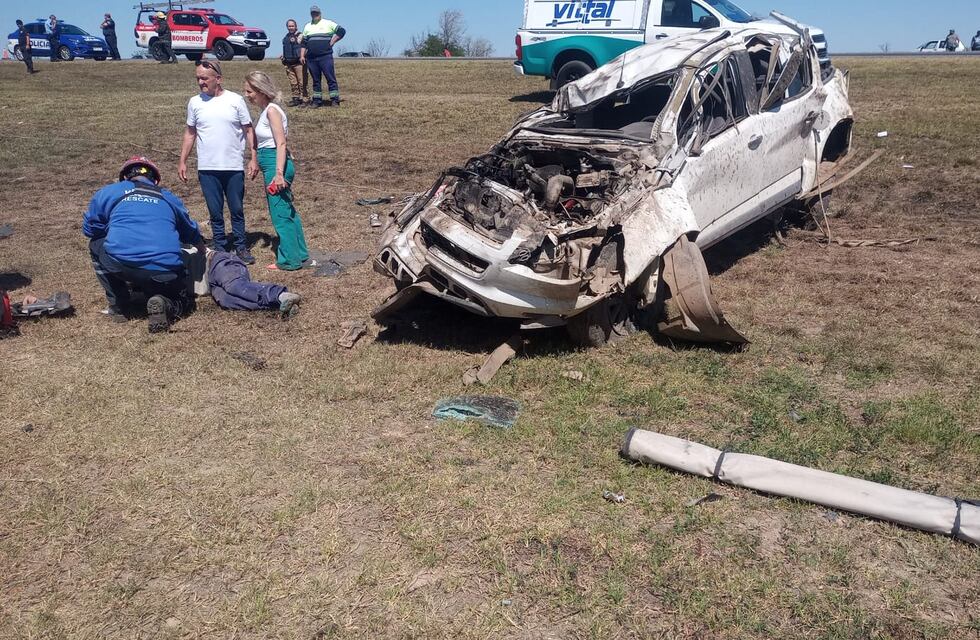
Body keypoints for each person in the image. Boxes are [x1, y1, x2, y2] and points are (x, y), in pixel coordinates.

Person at [83, 157, 205, 333]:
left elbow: (91, 229)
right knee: (183, 300)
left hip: (122, 264)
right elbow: (189, 231)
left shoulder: (109, 192)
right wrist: (202, 248)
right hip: (165, 270)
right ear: (155, 180)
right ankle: (166, 303)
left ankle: (120, 306)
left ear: (125, 177)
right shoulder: (169, 197)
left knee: (96, 244)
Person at [178, 60, 259, 265]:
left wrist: (253, 157)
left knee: (236, 208)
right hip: (207, 168)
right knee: (215, 211)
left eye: (205, 78)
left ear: (218, 79)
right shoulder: (194, 103)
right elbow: (190, 134)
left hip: (232, 166)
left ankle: (241, 246)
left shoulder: (235, 100)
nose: (201, 82)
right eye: (198, 78)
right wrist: (183, 161)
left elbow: (249, 129)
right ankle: (221, 247)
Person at [244, 71, 311, 271]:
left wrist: (279, 173)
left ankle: (289, 260)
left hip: (276, 166)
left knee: (280, 213)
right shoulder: (267, 110)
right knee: (287, 209)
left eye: (249, 91)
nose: (246, 95)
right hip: (272, 164)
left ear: (260, 90)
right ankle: (299, 252)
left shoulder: (272, 110)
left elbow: (281, 142)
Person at [206, 248, 302, 315]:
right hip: (211, 284)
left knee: (234, 286)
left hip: (215, 261)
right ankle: (279, 304)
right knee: (226, 301)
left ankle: (280, 294)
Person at [300, 5, 346, 108]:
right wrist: (302, 55)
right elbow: (304, 42)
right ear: (311, 14)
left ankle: (334, 100)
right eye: (313, 13)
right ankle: (317, 101)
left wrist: (333, 41)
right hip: (311, 58)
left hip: (325, 56)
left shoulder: (328, 23)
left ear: (320, 13)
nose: (315, 15)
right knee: (316, 80)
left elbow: (342, 31)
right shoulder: (307, 26)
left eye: (316, 13)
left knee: (330, 78)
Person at [281, 19, 309, 107]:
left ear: (296, 26)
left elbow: (304, 47)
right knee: (293, 83)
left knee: (302, 82)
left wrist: (302, 56)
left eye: (292, 26)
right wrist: (283, 56)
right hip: (288, 63)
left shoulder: (300, 36)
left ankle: (305, 99)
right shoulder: (286, 37)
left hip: (299, 63)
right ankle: (296, 98)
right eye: (289, 26)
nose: (291, 28)